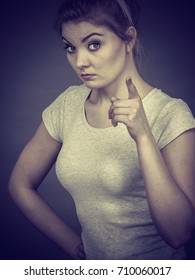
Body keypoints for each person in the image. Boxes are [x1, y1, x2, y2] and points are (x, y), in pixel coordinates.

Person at [8, 0, 195, 260]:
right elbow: (20, 184)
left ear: (128, 39)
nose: (80, 61)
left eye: (94, 44)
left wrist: (143, 135)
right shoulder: (68, 104)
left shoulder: (170, 113)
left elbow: (179, 234)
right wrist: (74, 246)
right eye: (70, 48)